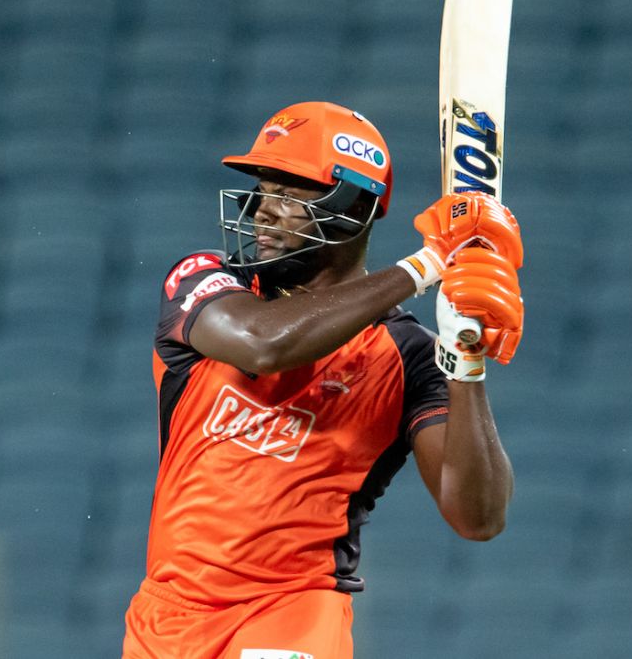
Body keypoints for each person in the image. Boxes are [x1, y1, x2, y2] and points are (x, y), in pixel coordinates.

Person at [120, 101, 525, 659]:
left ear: (356, 207)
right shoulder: (203, 280)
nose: (263, 209)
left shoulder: (409, 357)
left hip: (292, 613)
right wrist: (428, 264)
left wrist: (466, 359)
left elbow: (477, 516)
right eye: (263, 188)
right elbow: (265, 344)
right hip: (165, 621)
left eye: (288, 193)